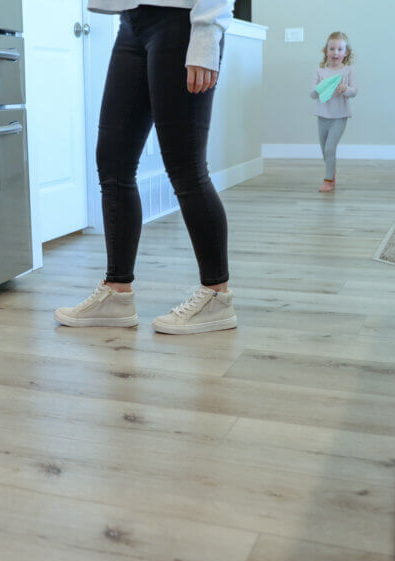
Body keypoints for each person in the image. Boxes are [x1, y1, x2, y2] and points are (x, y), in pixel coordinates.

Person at [54, 0, 238, 335]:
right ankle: (116, 292)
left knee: (186, 168)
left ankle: (216, 297)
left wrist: (207, 34)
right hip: (131, 22)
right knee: (112, 161)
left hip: (182, 22)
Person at [312, 31, 357, 193]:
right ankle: (331, 172)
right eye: (332, 49)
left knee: (330, 148)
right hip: (322, 116)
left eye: (340, 49)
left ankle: (328, 180)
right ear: (326, 51)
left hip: (340, 116)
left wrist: (345, 89)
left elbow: (354, 91)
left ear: (346, 53)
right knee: (324, 150)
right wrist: (321, 87)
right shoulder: (320, 72)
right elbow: (312, 94)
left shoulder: (347, 71)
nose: (335, 52)